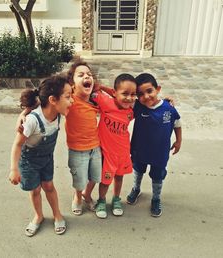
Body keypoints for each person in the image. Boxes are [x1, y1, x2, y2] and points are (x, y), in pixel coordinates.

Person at [9, 74, 73, 236]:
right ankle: (38, 216)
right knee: (35, 190)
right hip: (29, 162)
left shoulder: (57, 111)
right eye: (68, 97)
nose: (72, 101)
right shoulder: (32, 121)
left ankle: (57, 214)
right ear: (53, 100)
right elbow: (17, 144)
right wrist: (14, 169)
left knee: (49, 187)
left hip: (46, 159)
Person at [126, 73, 182, 217]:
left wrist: (178, 140)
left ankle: (156, 198)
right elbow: (120, 95)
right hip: (139, 150)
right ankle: (136, 189)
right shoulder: (138, 106)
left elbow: (177, 123)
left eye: (149, 91)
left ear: (158, 89)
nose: (146, 96)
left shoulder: (168, 109)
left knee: (158, 176)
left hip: (160, 153)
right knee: (138, 170)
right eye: (141, 94)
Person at [92, 73, 137, 219]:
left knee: (119, 177)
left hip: (123, 151)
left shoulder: (131, 110)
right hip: (107, 152)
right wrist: (102, 87)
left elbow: (150, 102)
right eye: (125, 93)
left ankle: (116, 199)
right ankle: (101, 200)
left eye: (133, 94)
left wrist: (167, 101)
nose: (129, 98)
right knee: (105, 180)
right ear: (114, 93)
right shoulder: (105, 102)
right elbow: (90, 90)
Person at [66, 61, 102, 216]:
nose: (87, 76)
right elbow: (44, 101)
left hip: (95, 147)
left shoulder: (95, 101)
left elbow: (119, 98)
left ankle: (87, 194)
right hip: (77, 150)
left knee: (95, 176)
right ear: (72, 84)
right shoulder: (70, 101)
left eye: (89, 74)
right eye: (80, 75)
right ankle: (78, 196)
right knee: (79, 180)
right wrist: (24, 113)